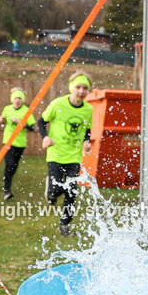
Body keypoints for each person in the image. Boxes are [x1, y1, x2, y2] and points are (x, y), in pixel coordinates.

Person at [38, 72, 93, 236]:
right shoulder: (58, 104)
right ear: (71, 87)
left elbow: (87, 129)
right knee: (56, 190)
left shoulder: (88, 109)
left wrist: (86, 141)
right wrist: (45, 137)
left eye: (85, 88)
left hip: (75, 156)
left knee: (72, 191)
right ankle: (51, 191)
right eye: (78, 87)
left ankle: (64, 224)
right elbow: (41, 121)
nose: (81, 91)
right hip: (56, 153)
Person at [0, 87, 35, 199]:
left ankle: (7, 182)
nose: (17, 100)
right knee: (9, 164)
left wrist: (20, 122)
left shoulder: (26, 111)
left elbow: (32, 128)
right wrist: (2, 120)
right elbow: (3, 119)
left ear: (22, 100)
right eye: (15, 98)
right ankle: (7, 190)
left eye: (20, 98)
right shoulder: (7, 108)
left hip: (20, 143)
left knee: (14, 166)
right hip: (8, 141)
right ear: (12, 99)